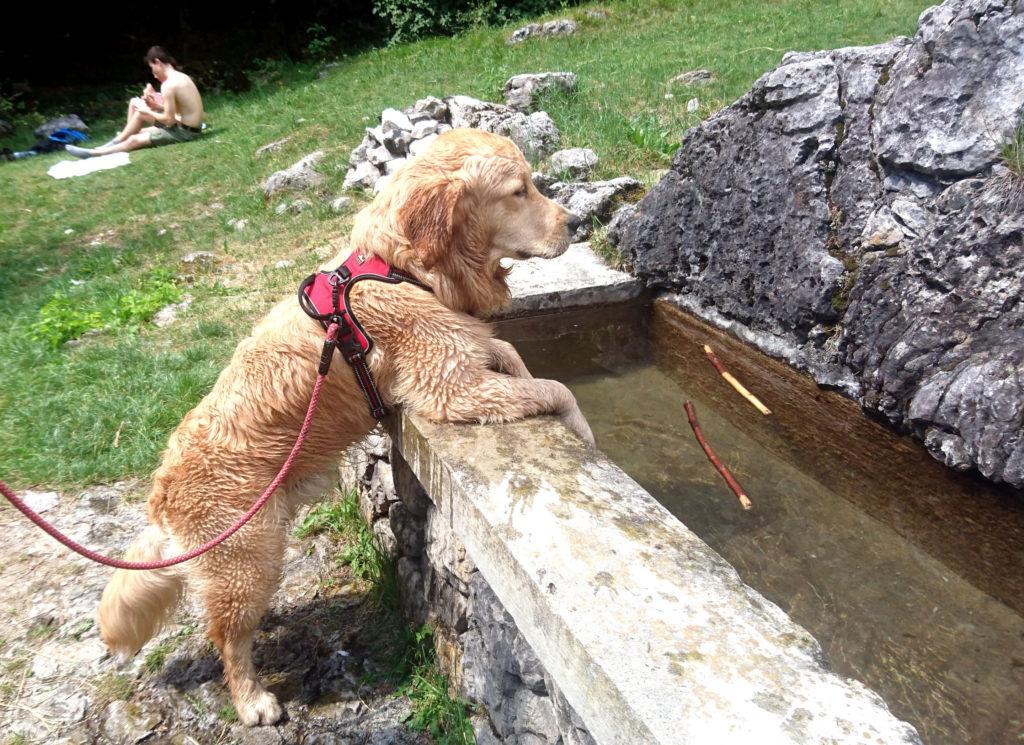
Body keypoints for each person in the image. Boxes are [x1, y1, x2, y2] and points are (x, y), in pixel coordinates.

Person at [65, 47, 204, 159]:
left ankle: (94, 153)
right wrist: (157, 107)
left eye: (152, 67)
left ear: (157, 62)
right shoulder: (182, 76)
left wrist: (148, 111)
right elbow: (182, 109)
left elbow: (169, 120)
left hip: (185, 133)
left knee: (134, 139)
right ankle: (110, 144)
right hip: (187, 127)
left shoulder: (168, 84)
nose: (153, 73)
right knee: (138, 123)